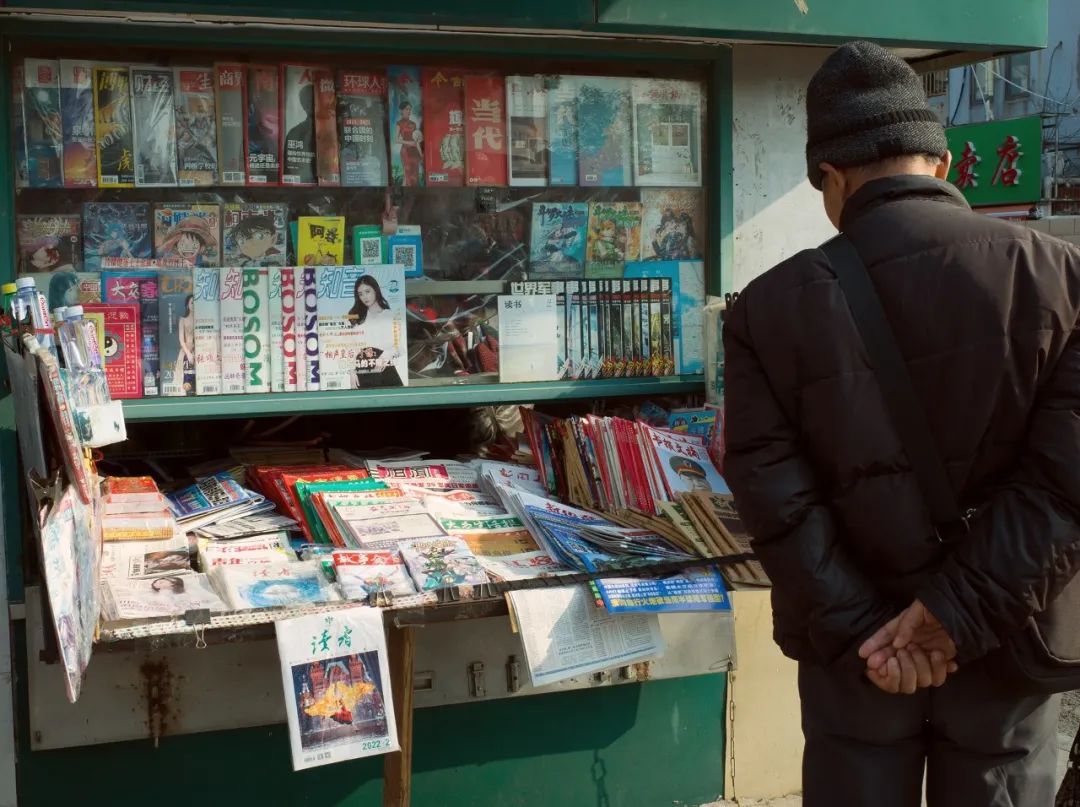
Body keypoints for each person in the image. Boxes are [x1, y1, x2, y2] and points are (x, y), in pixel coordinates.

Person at [722, 40, 1080, 807]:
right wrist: (957, 615)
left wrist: (872, 636)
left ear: (832, 177)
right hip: (1009, 648)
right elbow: (1066, 484)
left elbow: (773, 497)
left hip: (858, 660)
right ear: (941, 164)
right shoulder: (1060, 278)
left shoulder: (766, 309)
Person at [349, 275, 402, 388]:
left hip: (384, 368)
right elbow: (352, 349)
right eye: (361, 294)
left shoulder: (390, 316)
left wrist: (384, 356)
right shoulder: (358, 319)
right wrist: (351, 372)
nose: (365, 297)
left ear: (376, 290)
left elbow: (399, 347)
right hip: (362, 370)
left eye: (367, 291)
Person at [393, 100, 423, 186]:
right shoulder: (399, 123)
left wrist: (421, 154)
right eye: (406, 109)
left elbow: (417, 141)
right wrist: (409, 143)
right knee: (407, 173)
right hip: (405, 152)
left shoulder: (413, 124)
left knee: (415, 174)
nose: (409, 111)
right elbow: (396, 140)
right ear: (401, 110)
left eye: (410, 109)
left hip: (415, 152)